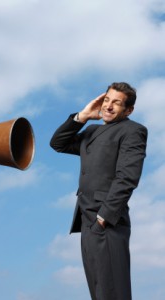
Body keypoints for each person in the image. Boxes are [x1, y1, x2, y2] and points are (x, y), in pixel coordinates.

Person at [50, 82, 147, 300]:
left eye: (117, 103)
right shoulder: (92, 131)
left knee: (113, 292)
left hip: (107, 220)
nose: (109, 106)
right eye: (107, 100)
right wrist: (83, 116)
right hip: (87, 221)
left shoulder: (133, 131)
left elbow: (128, 178)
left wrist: (104, 216)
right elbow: (58, 143)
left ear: (128, 110)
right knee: (99, 292)